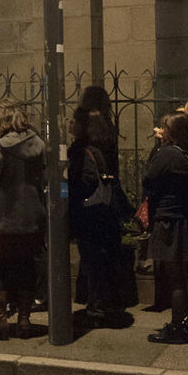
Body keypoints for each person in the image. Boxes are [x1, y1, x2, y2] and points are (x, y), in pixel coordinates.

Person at [0, 100, 45, 340]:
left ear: (4, 121)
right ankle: (25, 320)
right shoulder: (39, 144)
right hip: (33, 215)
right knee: (27, 266)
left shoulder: (2, 146)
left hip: (6, 215)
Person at [144, 111, 188, 343]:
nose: (160, 130)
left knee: (176, 279)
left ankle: (178, 327)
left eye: (164, 127)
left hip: (169, 221)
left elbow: (148, 179)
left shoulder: (167, 154)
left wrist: (158, 147)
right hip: (187, 219)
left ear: (173, 132)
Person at [68, 107, 124, 327]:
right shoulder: (102, 148)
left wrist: (71, 193)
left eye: (74, 121)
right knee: (97, 261)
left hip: (89, 214)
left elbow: (86, 179)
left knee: (93, 262)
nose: (71, 124)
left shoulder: (84, 151)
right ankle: (100, 304)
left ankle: (97, 308)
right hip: (101, 214)